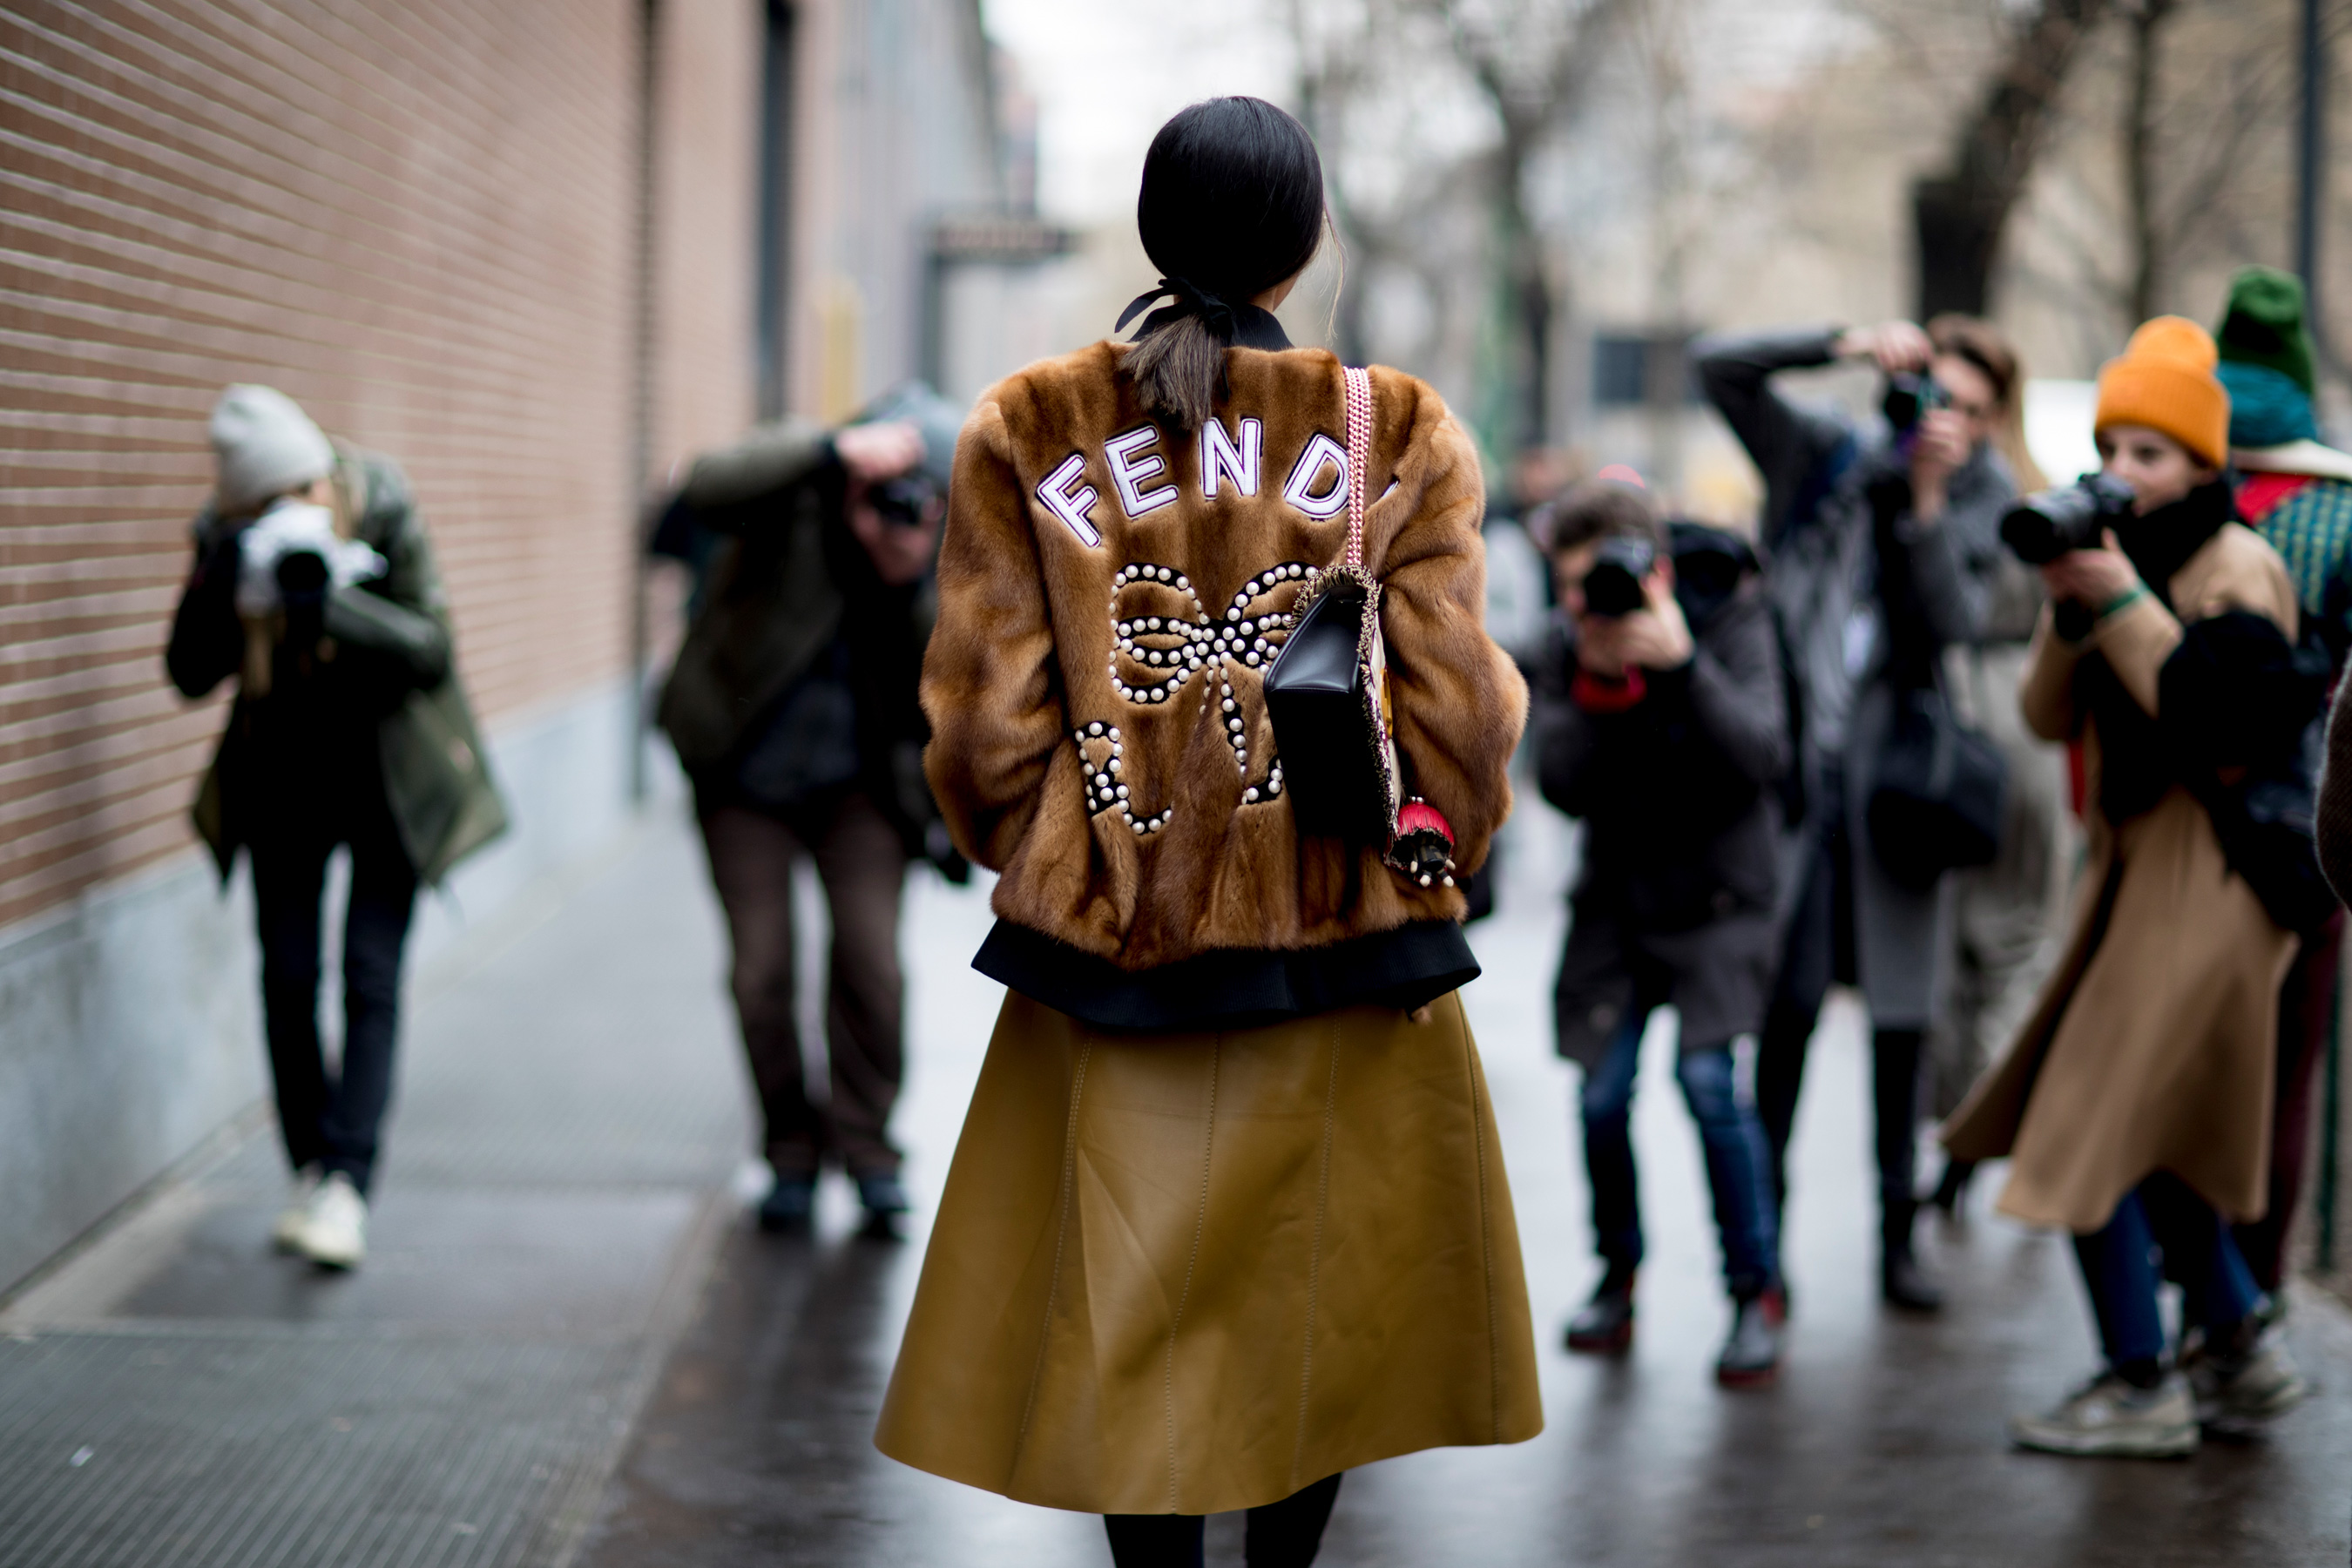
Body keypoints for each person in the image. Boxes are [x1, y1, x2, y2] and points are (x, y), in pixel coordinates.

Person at [872, 98, 1540, 1565]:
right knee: (1322, 1304)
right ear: (1304, 245)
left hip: (1120, 942)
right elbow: (1461, 717)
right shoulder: (1399, 427)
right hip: (1341, 936)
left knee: (1132, 1303)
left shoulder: (1027, 424)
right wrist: (1448, 834)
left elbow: (983, 723)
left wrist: (1055, 851)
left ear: (1155, 232)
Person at [1944, 318, 2315, 1458]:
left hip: (2214, 882)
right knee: (2146, 1138)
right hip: (2133, 875)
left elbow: (2227, 729)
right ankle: (2239, 1351)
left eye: (2153, 453)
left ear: (2209, 467)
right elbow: (2047, 717)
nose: (2125, 472)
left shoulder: (2236, 565)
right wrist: (2076, 599)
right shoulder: (2124, 560)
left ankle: (2141, 1378)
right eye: (2114, 448)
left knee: (2084, 1122)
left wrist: (2118, 602)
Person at [1693, 315, 2017, 1310]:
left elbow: (1954, 623)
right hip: (1797, 780)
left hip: (1892, 789)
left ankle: (1897, 1245)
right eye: (1931, 394)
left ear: (1991, 420)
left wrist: (1924, 501)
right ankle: (1765, 1253)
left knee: (1899, 1025)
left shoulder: (1983, 495)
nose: (1940, 418)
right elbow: (1720, 363)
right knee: (1784, 1017)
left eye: (1965, 407)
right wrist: (1842, 341)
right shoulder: (1828, 453)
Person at [166, 385, 506, 1271]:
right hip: (282, 773)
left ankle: (348, 1184)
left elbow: (430, 651)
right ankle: (312, 1171)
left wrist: (327, 603)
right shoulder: (223, 530)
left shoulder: (381, 502)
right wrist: (220, 580)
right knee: (286, 977)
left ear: (322, 476)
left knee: (369, 974)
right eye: (265, 506)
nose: (290, 514)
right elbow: (190, 675)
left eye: (301, 495)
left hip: (389, 773)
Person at [652, 382, 962, 1237]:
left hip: (863, 788)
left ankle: (870, 1157)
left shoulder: (933, 543)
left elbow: (950, 677)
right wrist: (830, 457)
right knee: (762, 973)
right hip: (744, 774)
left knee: (872, 966)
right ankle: (790, 1153)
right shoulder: (793, 485)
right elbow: (706, 485)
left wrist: (904, 578)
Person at [1532, 478, 1790, 1384]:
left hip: (1721, 894)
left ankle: (1754, 1292)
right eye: (1566, 586)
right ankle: (1618, 1278)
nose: (1581, 602)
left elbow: (1761, 757)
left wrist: (1682, 668)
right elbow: (1559, 780)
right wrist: (1602, 684)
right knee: (1601, 1096)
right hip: (1622, 898)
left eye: (1595, 581)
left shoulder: (1730, 612)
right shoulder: (1572, 643)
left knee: (1710, 1084)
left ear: (1659, 570)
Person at [2210, 266, 2352, 1296]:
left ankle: (2197, 1294)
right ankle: (2255, 1298)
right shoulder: (2343, 513)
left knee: (2187, 1070)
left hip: (2185, 823)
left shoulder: (2167, 490)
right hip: (2309, 827)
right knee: (2285, 1081)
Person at [1925, 369, 2068, 1220]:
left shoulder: (1975, 497)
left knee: (1992, 944)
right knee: (1997, 945)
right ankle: (1982, 1140)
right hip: (2009, 719)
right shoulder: (2040, 494)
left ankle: (1970, 1140)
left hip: (1980, 724)